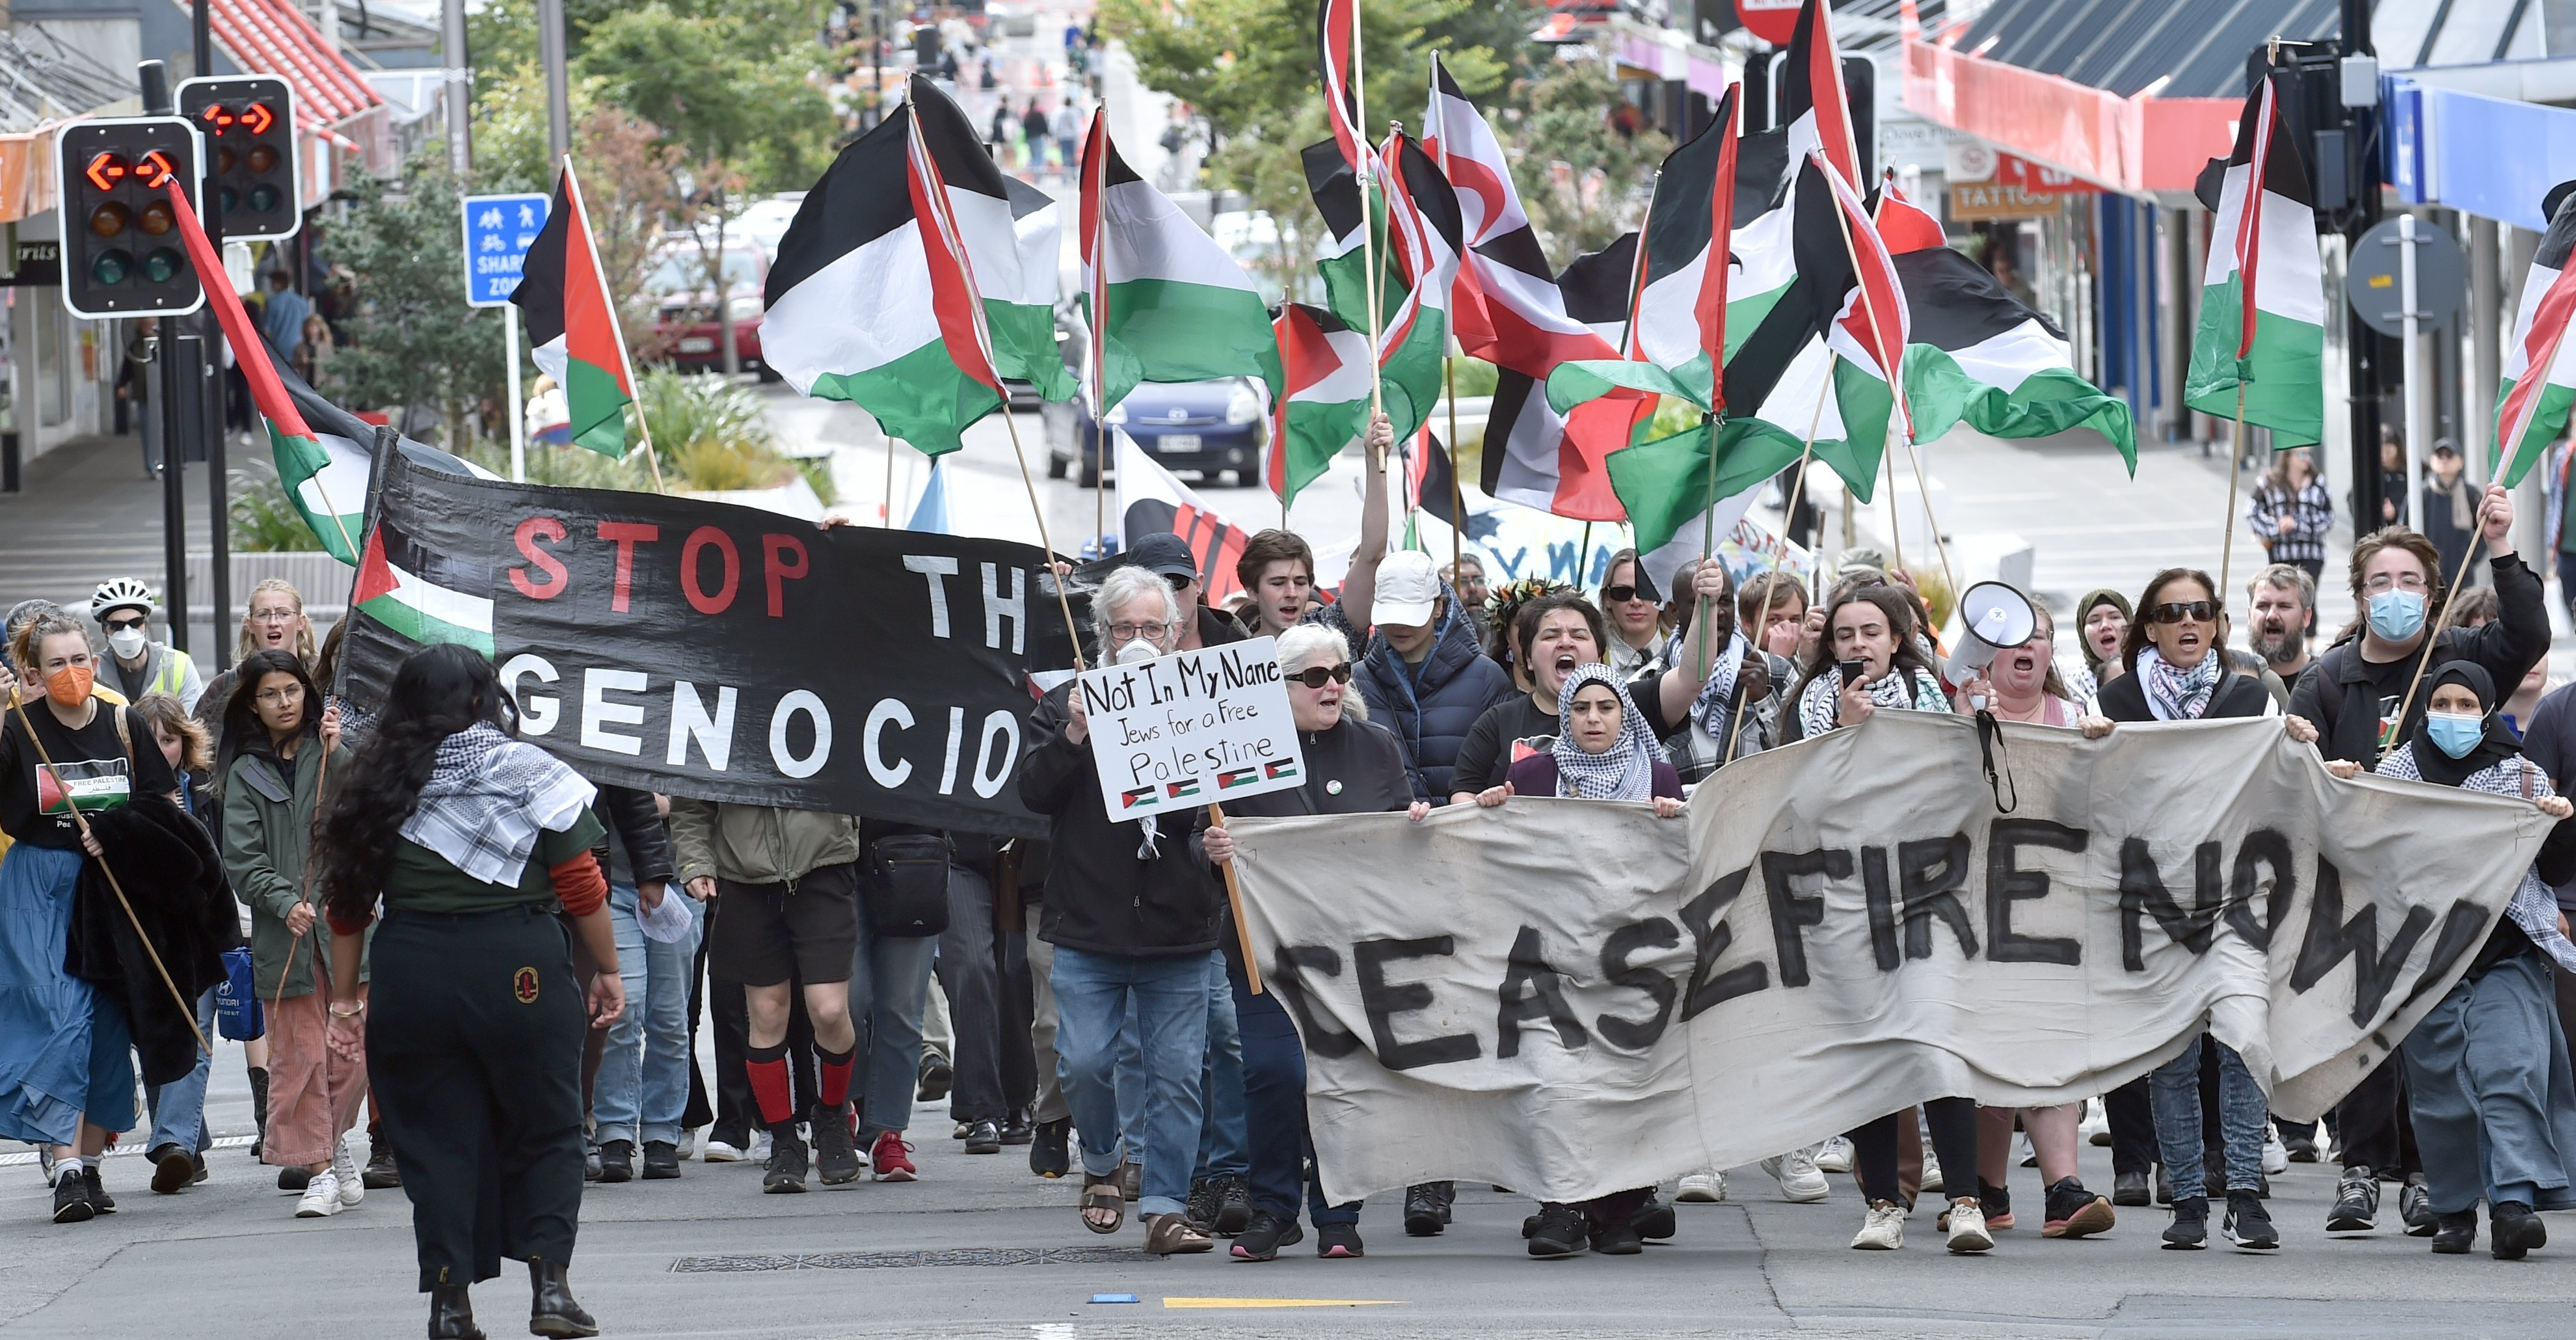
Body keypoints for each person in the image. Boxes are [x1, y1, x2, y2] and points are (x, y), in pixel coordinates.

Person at [313, 645, 620, 1339]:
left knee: (439, 1139)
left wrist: (343, 1000)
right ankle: (551, 1288)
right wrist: (607, 968)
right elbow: (579, 884)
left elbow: (349, 903)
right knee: (546, 1125)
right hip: (521, 967)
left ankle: (450, 1304)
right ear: (486, 699)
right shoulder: (530, 771)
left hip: (414, 970)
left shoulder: (380, 782)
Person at [2325, 662, 2576, 1257]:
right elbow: (2360, 855)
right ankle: (2456, 1210)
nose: (2455, 714)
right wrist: (2343, 793)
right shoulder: (2395, 775)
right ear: (2425, 708)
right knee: (2440, 1091)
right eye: (2444, 702)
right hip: (2424, 963)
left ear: (2488, 711)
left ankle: (2513, 1203)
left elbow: (2555, 868)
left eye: (2468, 704)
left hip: (2505, 954)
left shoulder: (2522, 779)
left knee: (2510, 1068)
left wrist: (2560, 823)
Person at [1199, 626, 1425, 1261]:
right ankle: (1274, 1208)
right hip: (1263, 946)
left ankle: (1337, 1213)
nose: (1334, 685)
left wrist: (1413, 825)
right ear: (1279, 686)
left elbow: (1400, 834)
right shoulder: (1236, 752)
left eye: (1342, 673)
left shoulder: (1376, 745)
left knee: (1336, 1075)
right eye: (1316, 676)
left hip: (1348, 948)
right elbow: (1201, 843)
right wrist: (1210, 850)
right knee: (1274, 1071)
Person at [1019, 565, 1226, 1255]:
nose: (1139, 637)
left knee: (1176, 1077)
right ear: (1103, 634)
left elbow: (1228, 796)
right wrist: (1074, 732)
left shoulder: (1203, 704)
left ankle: (1165, 1206)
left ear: (1173, 634)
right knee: (1080, 1060)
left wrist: (1216, 842)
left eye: (1151, 627)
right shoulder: (1064, 703)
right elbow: (1031, 793)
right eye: (1125, 627)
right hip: (1090, 925)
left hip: (1178, 926)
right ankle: (1103, 1161)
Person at [2091, 569, 2291, 1251]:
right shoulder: (2118, 697)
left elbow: (2279, 786)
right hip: (2154, 901)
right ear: (2149, 626)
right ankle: (2185, 1196)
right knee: (2172, 1057)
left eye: (2199, 610)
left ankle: (2244, 1192)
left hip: (2233, 895)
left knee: (2242, 1041)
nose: (2187, 621)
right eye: (2172, 611)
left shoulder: (2249, 695)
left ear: (2216, 622)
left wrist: (2304, 753)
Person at [1469, 662, 1687, 1256]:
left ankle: (1618, 1213)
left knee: (1626, 1084)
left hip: (1630, 962)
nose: (1594, 719)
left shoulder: (1658, 774)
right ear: (1566, 716)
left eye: (1607, 708)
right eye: (1582, 709)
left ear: (1626, 714)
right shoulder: (1534, 774)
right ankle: (1561, 1209)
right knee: (1559, 1083)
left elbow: (1686, 865)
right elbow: (1501, 857)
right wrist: (1493, 809)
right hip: (1553, 960)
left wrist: (1673, 822)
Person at [0, 610, 182, 1224]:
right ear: (33, 672)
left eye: (80, 659)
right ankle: (66, 1167)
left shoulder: (125, 724)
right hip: (38, 889)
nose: (71, 672)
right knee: (58, 1016)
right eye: (56, 663)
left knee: (105, 1023)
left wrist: (122, 836)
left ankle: (91, 1166)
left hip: (109, 890)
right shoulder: (16, 729)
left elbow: (163, 806)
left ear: (96, 662)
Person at [218, 649, 367, 1218]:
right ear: (252, 706)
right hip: (286, 939)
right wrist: (284, 903)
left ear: (309, 691)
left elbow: (363, 819)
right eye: (271, 695)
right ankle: (322, 1172)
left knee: (353, 1056)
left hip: (348, 929)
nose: (285, 703)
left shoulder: (328, 753)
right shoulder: (244, 771)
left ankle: (328, 1142)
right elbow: (242, 860)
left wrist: (340, 752)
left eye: (293, 690)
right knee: (300, 1057)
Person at [667, 786, 866, 1192]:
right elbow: (690, 801)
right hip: (746, 879)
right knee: (767, 1014)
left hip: (823, 866)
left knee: (829, 1010)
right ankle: (784, 1140)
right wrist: (696, 861)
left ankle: (831, 1118)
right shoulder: (721, 723)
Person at [133, 691, 220, 1194]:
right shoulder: (124, 799)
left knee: (196, 1031)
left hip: (201, 932)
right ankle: (192, 1142)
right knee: (156, 1037)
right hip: (145, 934)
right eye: (150, 740)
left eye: (169, 740)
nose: (160, 749)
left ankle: (171, 1146)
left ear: (183, 744)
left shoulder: (206, 791)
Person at [587, 784, 693, 1183]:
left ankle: (663, 1133)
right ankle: (614, 1131)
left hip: (676, 878)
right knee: (620, 1011)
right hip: (609, 875)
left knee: (669, 1016)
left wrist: (674, 802)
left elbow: (717, 790)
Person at [1356, 550, 1514, 807]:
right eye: (1391, 613)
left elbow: (1504, 768)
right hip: (1380, 840)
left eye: (1410, 613)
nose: (1399, 625)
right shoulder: (1356, 681)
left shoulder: (1486, 677)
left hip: (1466, 836)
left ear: (1439, 606)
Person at [1782, 585, 1950, 740]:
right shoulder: (1808, 701)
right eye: (1846, 637)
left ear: (1894, 642)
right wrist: (1844, 726)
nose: (1858, 644)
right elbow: (1799, 770)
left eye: (1871, 633)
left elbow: (1950, 761)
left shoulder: (1922, 687)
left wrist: (1969, 719)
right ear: (1833, 648)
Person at [195, 579, 317, 751]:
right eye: (263, 614)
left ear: (300, 622)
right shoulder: (225, 687)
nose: (273, 623)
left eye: (283, 614)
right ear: (250, 625)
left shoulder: (323, 678)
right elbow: (197, 752)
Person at [88, 579, 202, 711]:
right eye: (116, 626)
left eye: (136, 623)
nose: (127, 632)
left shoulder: (179, 665)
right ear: (104, 629)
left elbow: (192, 724)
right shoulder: (93, 671)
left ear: (145, 623)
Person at [1126, 531, 1244, 651]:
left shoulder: (1238, 641)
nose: (1168, 595)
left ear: (1198, 585)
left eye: (1177, 582)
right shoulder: (1113, 653)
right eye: (1151, 587)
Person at [2247, 449, 2333, 583]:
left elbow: (2328, 517)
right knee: (2283, 597)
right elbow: (2251, 513)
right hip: (2280, 554)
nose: (2307, 459)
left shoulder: (2318, 483)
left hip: (2311, 554)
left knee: (2306, 597)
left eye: (2309, 454)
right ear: (2288, 456)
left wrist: (2298, 524)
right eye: (2301, 455)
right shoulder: (2269, 482)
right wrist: (2277, 527)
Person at [2246, 564, 2317, 695]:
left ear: (2306, 617)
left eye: (2284, 606)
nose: (2272, 616)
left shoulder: (2327, 681)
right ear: (2250, 616)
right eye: (2263, 606)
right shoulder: (2237, 684)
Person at [1236, 530, 1316, 640]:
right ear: (1253, 591)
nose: (1292, 593)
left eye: (1300, 583)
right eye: (1278, 583)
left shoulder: (1329, 632)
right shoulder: (1235, 651)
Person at [1598, 549, 1663, 679]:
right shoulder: (1590, 653)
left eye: (1647, 591)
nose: (1636, 601)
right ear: (1607, 599)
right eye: (1623, 592)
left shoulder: (1684, 650)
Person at [2421, 441, 2476, 580]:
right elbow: (2405, 527)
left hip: (2462, 574)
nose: (2444, 460)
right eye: (2439, 455)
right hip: (2429, 571)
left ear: (2461, 461)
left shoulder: (2470, 493)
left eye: (2449, 455)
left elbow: (2483, 529)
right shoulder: (2422, 492)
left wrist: (2471, 558)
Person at [2071, 589, 2131, 704]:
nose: (2105, 626)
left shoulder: (2150, 671)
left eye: (2114, 617)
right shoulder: (2073, 686)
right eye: (2095, 621)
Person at [1740, 571, 1810, 662]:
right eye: (1775, 620)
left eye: (1794, 620)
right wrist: (1779, 661)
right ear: (1747, 624)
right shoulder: (1734, 665)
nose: (1787, 629)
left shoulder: (1809, 661)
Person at [259, 270, 310, 371]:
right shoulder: (302, 302)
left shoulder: (272, 303)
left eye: (272, 283)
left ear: (278, 284)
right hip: (298, 347)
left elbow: (267, 329)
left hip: (279, 347)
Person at [1441, 556, 1491, 634]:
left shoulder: (1504, 637)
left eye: (1479, 580)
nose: (1473, 588)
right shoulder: (1433, 640)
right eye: (1462, 582)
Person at [2378, 429, 2410, 528]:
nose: (2384, 456)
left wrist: (2396, 511)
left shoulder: (2411, 470)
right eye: (2381, 451)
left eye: (2388, 451)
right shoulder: (2370, 472)